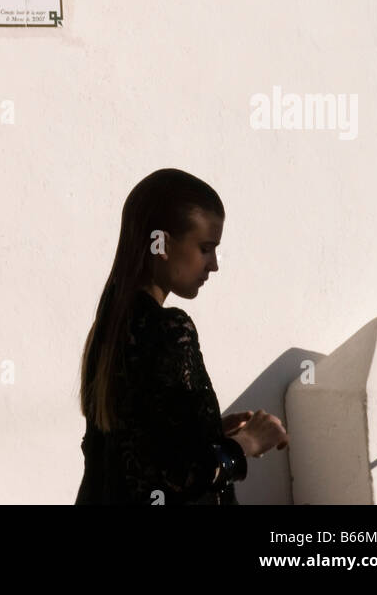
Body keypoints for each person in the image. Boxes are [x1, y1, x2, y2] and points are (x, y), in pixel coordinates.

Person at [75, 168, 288, 505]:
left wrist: (212, 431)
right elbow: (181, 476)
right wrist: (247, 443)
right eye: (205, 248)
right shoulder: (170, 330)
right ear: (161, 244)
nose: (213, 264)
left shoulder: (109, 331)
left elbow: (138, 452)